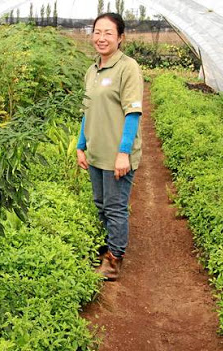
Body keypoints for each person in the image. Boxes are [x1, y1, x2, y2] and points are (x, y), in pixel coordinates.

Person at [76, 12, 143, 280]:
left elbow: (133, 113)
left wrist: (123, 152)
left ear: (120, 38)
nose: (101, 38)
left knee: (115, 207)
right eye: (97, 32)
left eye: (108, 33)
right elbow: (86, 111)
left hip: (117, 156)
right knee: (101, 205)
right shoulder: (91, 71)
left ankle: (114, 260)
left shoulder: (128, 68)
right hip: (96, 153)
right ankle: (108, 248)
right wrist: (81, 146)